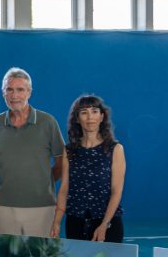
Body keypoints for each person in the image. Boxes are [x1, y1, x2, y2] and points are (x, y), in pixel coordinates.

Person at [0, 67, 65, 237]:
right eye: (9, 89)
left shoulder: (48, 122)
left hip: (42, 206)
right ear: (3, 93)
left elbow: (61, 162)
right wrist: (9, 176)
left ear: (29, 92)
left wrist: (46, 180)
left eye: (20, 90)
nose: (14, 95)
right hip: (4, 206)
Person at [52, 95, 126, 243]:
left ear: (102, 116)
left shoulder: (115, 149)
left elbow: (116, 192)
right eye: (84, 112)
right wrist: (56, 222)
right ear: (77, 119)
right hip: (75, 223)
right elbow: (64, 189)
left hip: (108, 222)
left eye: (94, 111)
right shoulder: (69, 151)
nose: (90, 117)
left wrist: (104, 224)